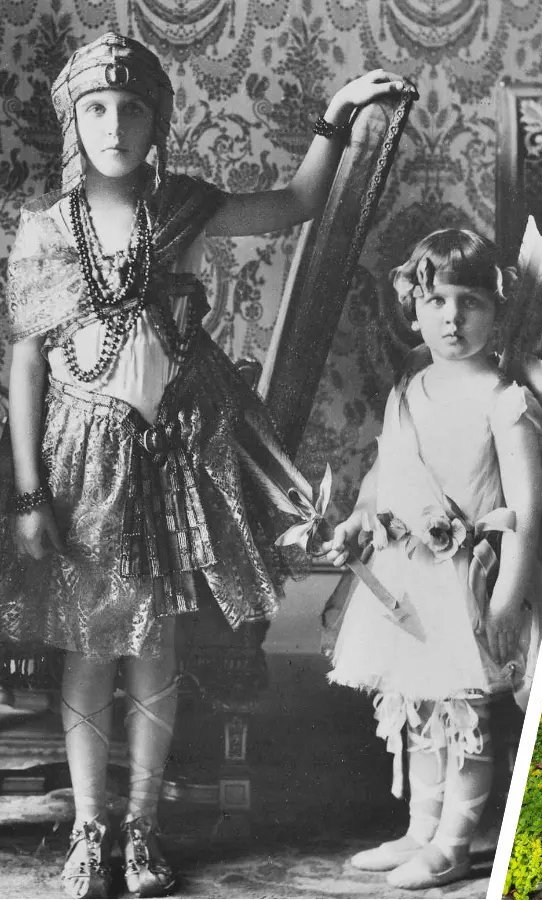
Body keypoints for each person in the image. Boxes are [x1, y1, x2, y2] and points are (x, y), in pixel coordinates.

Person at [0, 32, 408, 899]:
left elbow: (297, 203)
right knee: (87, 649)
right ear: (75, 122)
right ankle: (89, 830)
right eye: (97, 109)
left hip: (170, 461)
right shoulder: (44, 231)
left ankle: (143, 829)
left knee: (153, 648)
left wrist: (334, 119)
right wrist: (30, 492)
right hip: (79, 466)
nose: (114, 125)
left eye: (132, 109)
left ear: (158, 122)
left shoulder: (184, 207)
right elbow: (28, 364)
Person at [318, 227, 542, 889]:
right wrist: (359, 521)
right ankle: (420, 830)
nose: (451, 317)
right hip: (407, 579)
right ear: (413, 308)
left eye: (470, 301)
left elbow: (527, 511)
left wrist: (508, 598)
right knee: (422, 708)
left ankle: (455, 841)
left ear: (496, 310)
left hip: (472, 580)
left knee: (466, 712)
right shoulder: (407, 392)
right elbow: (383, 482)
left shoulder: (505, 402)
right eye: (436, 301)